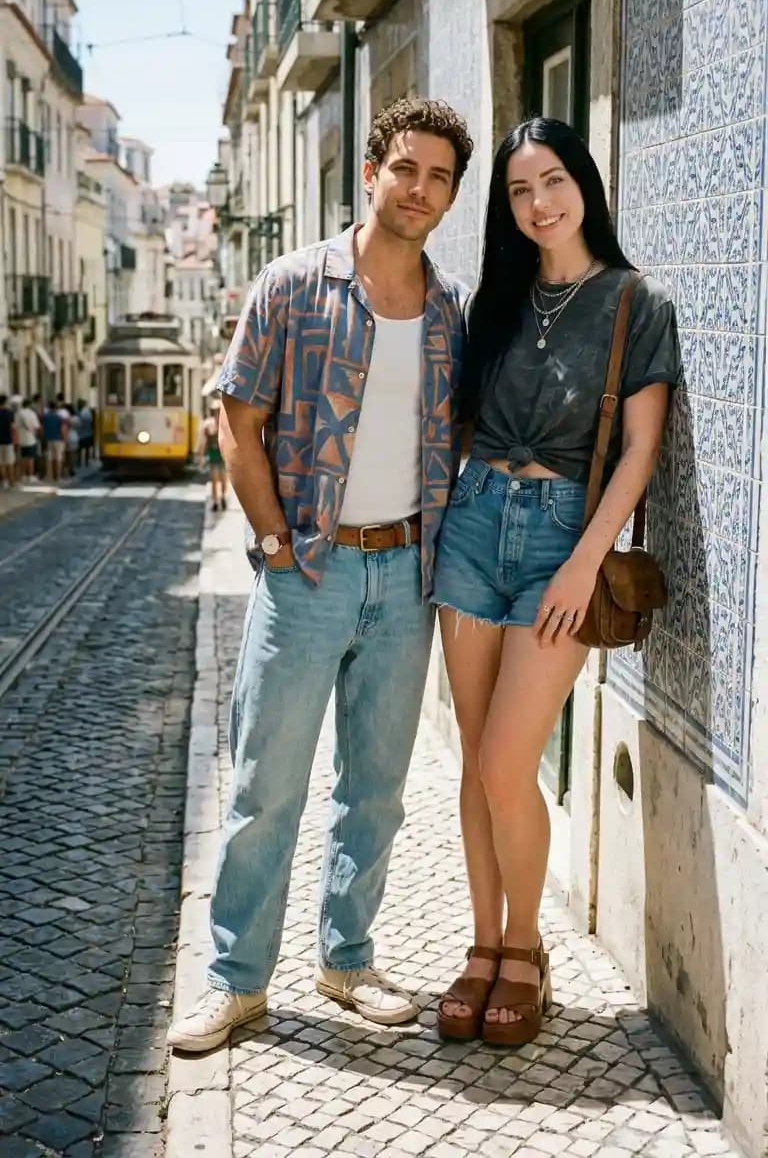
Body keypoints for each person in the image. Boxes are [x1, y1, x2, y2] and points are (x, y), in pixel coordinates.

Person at [167, 97, 474, 1053]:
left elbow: (457, 431)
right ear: (373, 172)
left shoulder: (450, 310)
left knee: (375, 785)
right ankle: (235, 982)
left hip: (404, 575)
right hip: (309, 571)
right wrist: (271, 540)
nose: (420, 190)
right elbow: (237, 415)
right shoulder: (294, 285)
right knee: (268, 781)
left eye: (440, 178)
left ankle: (346, 958)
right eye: (407, 169)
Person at [432, 118, 681, 1047]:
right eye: (519, 192)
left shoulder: (632, 302)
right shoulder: (494, 302)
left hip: (558, 545)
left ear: (584, 182)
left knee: (508, 760)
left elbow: (641, 449)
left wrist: (583, 559)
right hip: (471, 530)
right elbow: (455, 430)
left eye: (553, 182)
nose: (539, 204)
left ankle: (527, 950)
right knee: (476, 760)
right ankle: (481, 948)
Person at [197, 401, 228, 511]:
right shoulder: (208, 424)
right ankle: (215, 501)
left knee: (224, 479)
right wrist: (200, 456)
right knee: (214, 480)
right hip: (213, 455)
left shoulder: (226, 424)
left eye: (219, 411)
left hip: (224, 456)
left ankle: (223, 497)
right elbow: (203, 441)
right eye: (215, 411)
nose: (217, 413)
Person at [15, 398, 41, 483]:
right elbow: (37, 426)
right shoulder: (31, 413)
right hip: (30, 438)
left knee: (23, 458)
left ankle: (23, 475)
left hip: (21, 438)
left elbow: (16, 425)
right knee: (30, 458)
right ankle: (30, 476)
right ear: (29, 405)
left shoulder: (18, 413)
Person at [42, 401, 66, 482]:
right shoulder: (59, 417)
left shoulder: (45, 417)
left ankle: (50, 476)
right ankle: (58, 477)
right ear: (56, 408)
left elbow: (42, 429)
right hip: (58, 439)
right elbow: (62, 429)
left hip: (48, 439)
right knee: (58, 458)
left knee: (49, 458)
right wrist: (64, 439)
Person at [0, 395, 16, 489]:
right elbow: (13, 427)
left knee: (1, 463)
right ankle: (12, 482)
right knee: (10, 462)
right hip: (8, 440)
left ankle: (4, 481)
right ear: (5, 402)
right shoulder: (9, 413)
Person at [77, 400, 94, 467]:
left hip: (81, 433)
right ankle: (86, 462)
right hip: (88, 432)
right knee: (87, 448)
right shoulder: (88, 412)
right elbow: (91, 421)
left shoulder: (80, 412)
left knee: (80, 449)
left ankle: (79, 462)